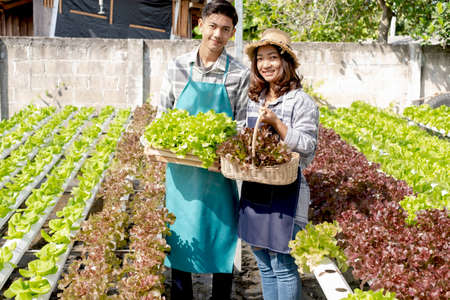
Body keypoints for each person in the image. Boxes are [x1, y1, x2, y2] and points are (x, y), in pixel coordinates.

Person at [157, 1, 249, 299]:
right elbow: (163, 115)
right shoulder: (178, 66)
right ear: (200, 25)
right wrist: (166, 144)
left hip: (217, 172)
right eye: (212, 26)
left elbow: (241, 123)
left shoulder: (239, 73)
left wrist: (218, 150)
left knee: (221, 236)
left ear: (232, 32)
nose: (217, 35)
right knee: (180, 236)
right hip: (181, 170)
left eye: (225, 29)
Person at [238, 28, 319, 300]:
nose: (266, 64)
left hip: (287, 191)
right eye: (261, 59)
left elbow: (308, 146)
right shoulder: (254, 99)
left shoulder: (302, 101)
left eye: (273, 57)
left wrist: (277, 124)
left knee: (282, 265)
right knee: (262, 261)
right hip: (255, 187)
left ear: (286, 62)